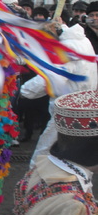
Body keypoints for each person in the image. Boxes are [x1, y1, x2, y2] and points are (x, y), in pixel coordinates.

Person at [20, 21, 98, 167]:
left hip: (67, 112)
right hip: (84, 108)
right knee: (78, 157)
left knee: (45, 151)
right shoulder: (82, 40)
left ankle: (34, 183)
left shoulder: (67, 49)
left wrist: (23, 91)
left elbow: (50, 77)